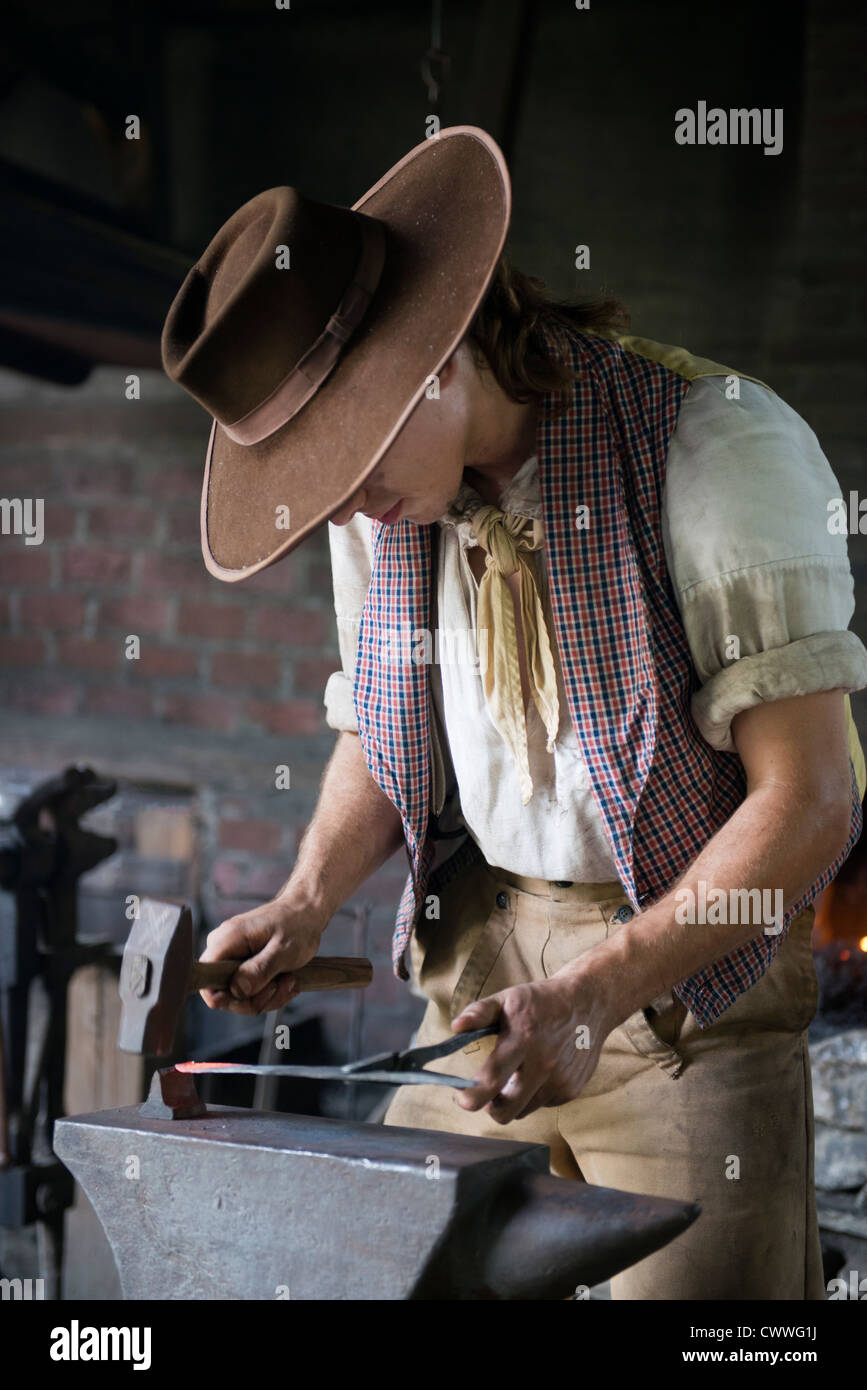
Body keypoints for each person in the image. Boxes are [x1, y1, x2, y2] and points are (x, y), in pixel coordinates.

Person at [161, 126, 867, 1299]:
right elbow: (379, 726)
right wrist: (304, 899)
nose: (348, 508)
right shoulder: (384, 506)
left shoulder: (717, 450)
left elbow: (810, 803)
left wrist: (598, 992)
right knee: (389, 1283)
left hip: (686, 984)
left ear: (436, 360)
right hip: (484, 971)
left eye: (350, 457)